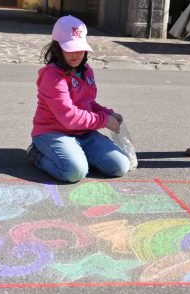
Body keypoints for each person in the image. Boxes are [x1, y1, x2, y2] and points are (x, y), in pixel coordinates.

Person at [26, 15, 130, 183]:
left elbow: (89, 103)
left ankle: (77, 154)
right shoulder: (52, 76)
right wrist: (104, 120)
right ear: (58, 48)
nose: (76, 55)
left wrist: (108, 113)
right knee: (74, 172)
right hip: (53, 133)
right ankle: (37, 155)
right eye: (70, 49)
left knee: (120, 165)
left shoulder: (86, 70)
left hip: (84, 133)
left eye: (80, 49)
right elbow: (69, 117)